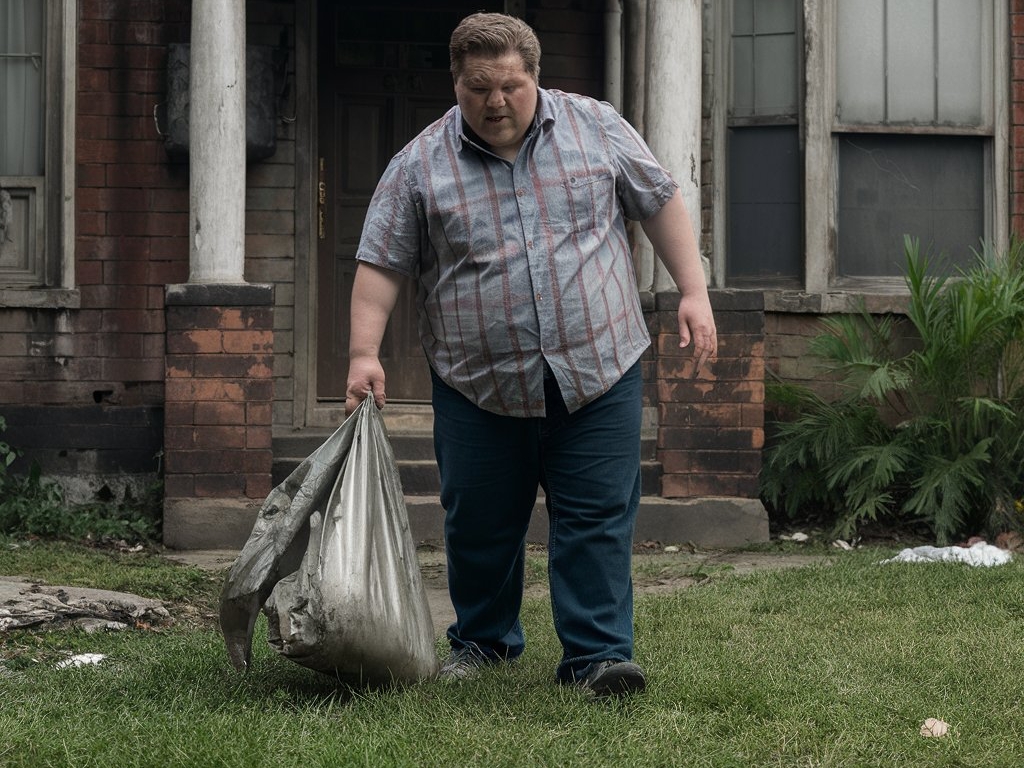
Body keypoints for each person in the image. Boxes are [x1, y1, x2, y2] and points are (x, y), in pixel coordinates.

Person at [344, 12, 716, 698]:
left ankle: (598, 658)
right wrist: (363, 352)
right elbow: (381, 263)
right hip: (476, 383)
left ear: (534, 77)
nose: (495, 102)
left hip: (598, 366)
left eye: (510, 85)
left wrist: (691, 290)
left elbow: (659, 200)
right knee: (480, 521)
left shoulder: (596, 127)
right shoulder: (419, 164)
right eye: (478, 88)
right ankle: (483, 642)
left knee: (597, 516)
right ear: (456, 83)